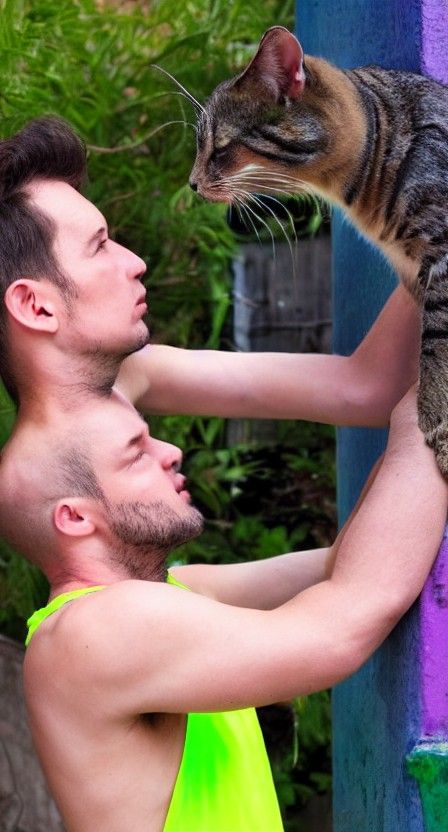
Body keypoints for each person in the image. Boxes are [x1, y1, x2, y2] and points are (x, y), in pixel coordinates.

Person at [0, 390, 445, 832]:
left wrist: (409, 412)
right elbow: (343, 624)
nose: (170, 452)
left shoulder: (169, 595)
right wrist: (426, 409)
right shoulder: (95, 628)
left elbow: (345, 565)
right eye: (136, 455)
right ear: (76, 518)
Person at [0, 117, 420, 430]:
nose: (136, 263)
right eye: (99, 246)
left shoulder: (126, 375)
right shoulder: (32, 489)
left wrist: (431, 243)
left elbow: (366, 388)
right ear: (35, 306)